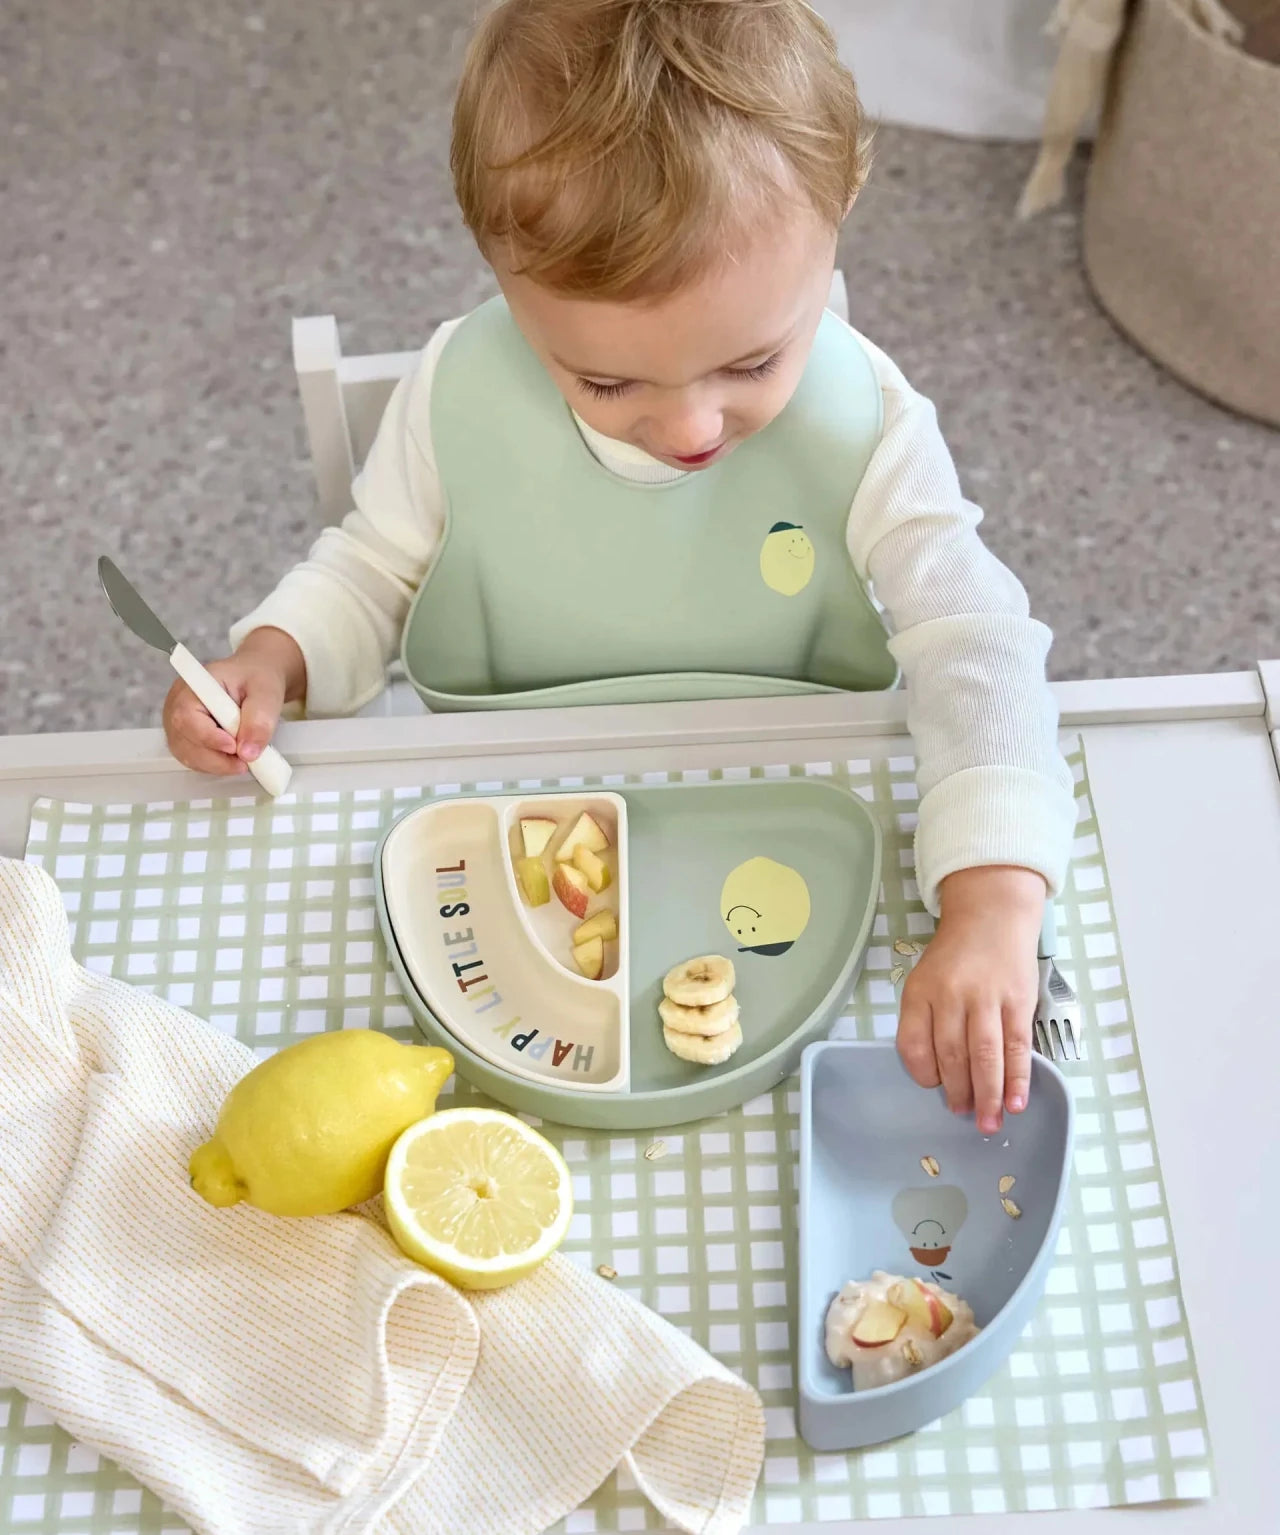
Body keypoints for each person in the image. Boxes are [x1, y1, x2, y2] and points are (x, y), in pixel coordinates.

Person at [163, 0, 1076, 1135]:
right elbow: (369, 569)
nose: (692, 430)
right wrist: (276, 655)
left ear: (838, 219)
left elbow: (974, 639)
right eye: (607, 385)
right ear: (503, 281)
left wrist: (992, 894)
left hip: (779, 803)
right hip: (505, 798)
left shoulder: (866, 419)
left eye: (751, 359)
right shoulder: (460, 390)